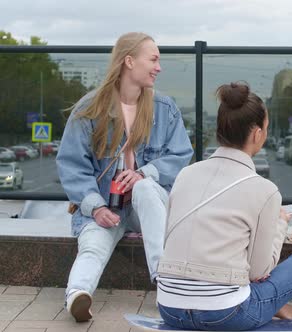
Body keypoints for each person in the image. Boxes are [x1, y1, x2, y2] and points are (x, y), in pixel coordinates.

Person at [156, 82, 292, 331]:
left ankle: (284, 310)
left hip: (169, 309)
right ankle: (285, 311)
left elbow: (169, 241)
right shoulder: (264, 190)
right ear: (255, 134)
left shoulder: (185, 174)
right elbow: (259, 271)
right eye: (266, 128)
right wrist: (281, 222)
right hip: (226, 314)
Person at [56, 32, 193, 322]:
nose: (159, 67)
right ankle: (78, 296)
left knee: (143, 188)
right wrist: (96, 207)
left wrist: (144, 173)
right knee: (93, 245)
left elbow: (181, 155)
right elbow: (72, 165)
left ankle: (165, 285)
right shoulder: (90, 109)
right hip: (107, 205)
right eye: (153, 59)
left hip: (149, 206)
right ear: (129, 61)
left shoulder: (164, 109)